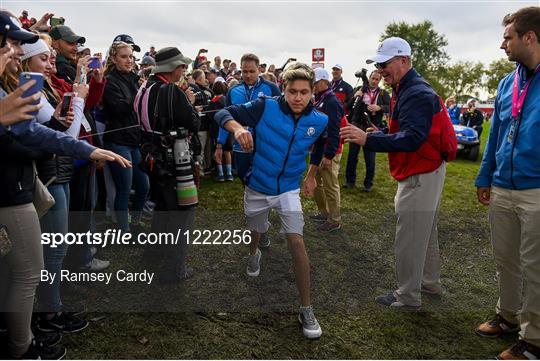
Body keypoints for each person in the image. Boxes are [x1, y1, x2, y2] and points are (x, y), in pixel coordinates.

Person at [0, 13, 130, 359]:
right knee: (32, 269)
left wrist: (86, 145)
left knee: (24, 267)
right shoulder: (23, 88)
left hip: (35, 180)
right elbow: (37, 138)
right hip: (32, 184)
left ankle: (31, 326)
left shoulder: (21, 87)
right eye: (11, 44)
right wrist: (75, 104)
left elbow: (37, 132)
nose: (15, 51)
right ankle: (27, 338)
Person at [215, 62, 327, 339]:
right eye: (292, 92)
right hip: (258, 186)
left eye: (304, 92)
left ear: (313, 92)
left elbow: (324, 144)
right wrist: (238, 128)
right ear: (284, 91)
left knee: (296, 240)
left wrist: (312, 175)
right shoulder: (266, 106)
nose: (298, 98)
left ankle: (306, 307)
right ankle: (253, 254)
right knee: (255, 230)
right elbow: (222, 112)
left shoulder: (320, 120)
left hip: (288, 189)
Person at [341, 37, 449, 309]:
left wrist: (369, 140)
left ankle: (407, 295)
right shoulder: (408, 87)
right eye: (378, 64)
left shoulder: (415, 92)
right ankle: (428, 282)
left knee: (410, 234)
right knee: (426, 231)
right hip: (427, 168)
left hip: (421, 170)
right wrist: (383, 134)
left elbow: (412, 139)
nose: (380, 69)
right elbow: (410, 133)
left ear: (403, 60)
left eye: (384, 63)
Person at [475, 6, 540, 360]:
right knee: (506, 259)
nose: (503, 45)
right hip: (502, 185)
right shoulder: (507, 82)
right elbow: (496, 133)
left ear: (529, 37)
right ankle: (508, 316)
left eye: (508, 37)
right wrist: (485, 175)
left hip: (536, 189)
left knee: (536, 265)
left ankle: (534, 340)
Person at [134, 46, 200, 282]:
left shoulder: (144, 86)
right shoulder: (172, 90)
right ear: (172, 68)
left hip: (150, 157)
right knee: (183, 213)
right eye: (181, 66)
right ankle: (175, 269)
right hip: (171, 159)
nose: (184, 69)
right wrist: (191, 104)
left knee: (162, 208)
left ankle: (153, 255)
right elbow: (193, 123)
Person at [216, 53, 280, 248]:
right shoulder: (233, 90)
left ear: (259, 69)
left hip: (264, 146)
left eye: (252, 71)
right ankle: (258, 223)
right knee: (248, 187)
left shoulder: (271, 88)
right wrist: (220, 144)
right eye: (244, 71)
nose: (248, 75)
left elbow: (279, 117)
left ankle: (262, 229)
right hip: (240, 147)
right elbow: (225, 119)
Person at [102, 41, 149, 232]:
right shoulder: (109, 80)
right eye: (124, 56)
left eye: (131, 57)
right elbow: (119, 109)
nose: (129, 61)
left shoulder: (134, 78)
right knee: (124, 187)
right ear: (113, 58)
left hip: (134, 140)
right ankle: (124, 230)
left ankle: (135, 222)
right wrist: (139, 93)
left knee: (144, 186)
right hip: (117, 141)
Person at [308, 68, 344, 232]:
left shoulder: (331, 101)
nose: (313, 86)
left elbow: (334, 130)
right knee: (316, 182)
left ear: (323, 81)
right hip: (319, 147)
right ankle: (324, 212)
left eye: (314, 82)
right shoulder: (321, 98)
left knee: (330, 185)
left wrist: (329, 155)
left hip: (330, 149)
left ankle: (334, 219)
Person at [344, 70, 390, 191]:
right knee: (352, 156)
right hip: (356, 125)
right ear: (369, 78)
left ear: (379, 81)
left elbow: (391, 107)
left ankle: (368, 184)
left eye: (377, 79)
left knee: (370, 158)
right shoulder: (360, 88)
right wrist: (355, 96)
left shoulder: (383, 93)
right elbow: (347, 106)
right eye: (373, 78)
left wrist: (379, 107)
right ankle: (350, 181)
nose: (374, 81)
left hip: (371, 128)